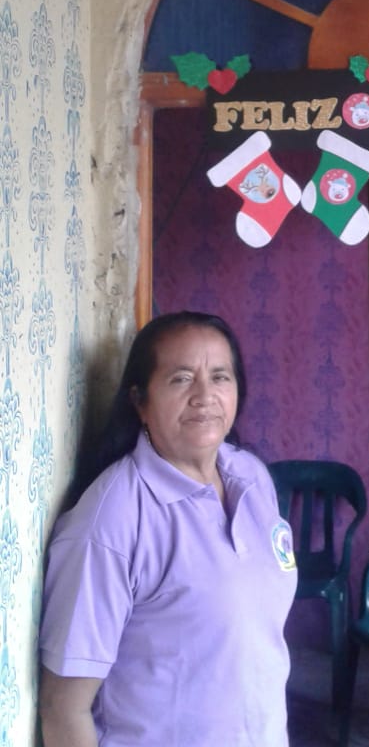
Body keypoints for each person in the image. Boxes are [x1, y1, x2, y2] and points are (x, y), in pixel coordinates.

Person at [39, 310, 297, 747]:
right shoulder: (112, 520)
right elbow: (63, 708)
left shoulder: (251, 478)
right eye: (181, 379)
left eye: (220, 377)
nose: (205, 396)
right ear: (140, 401)